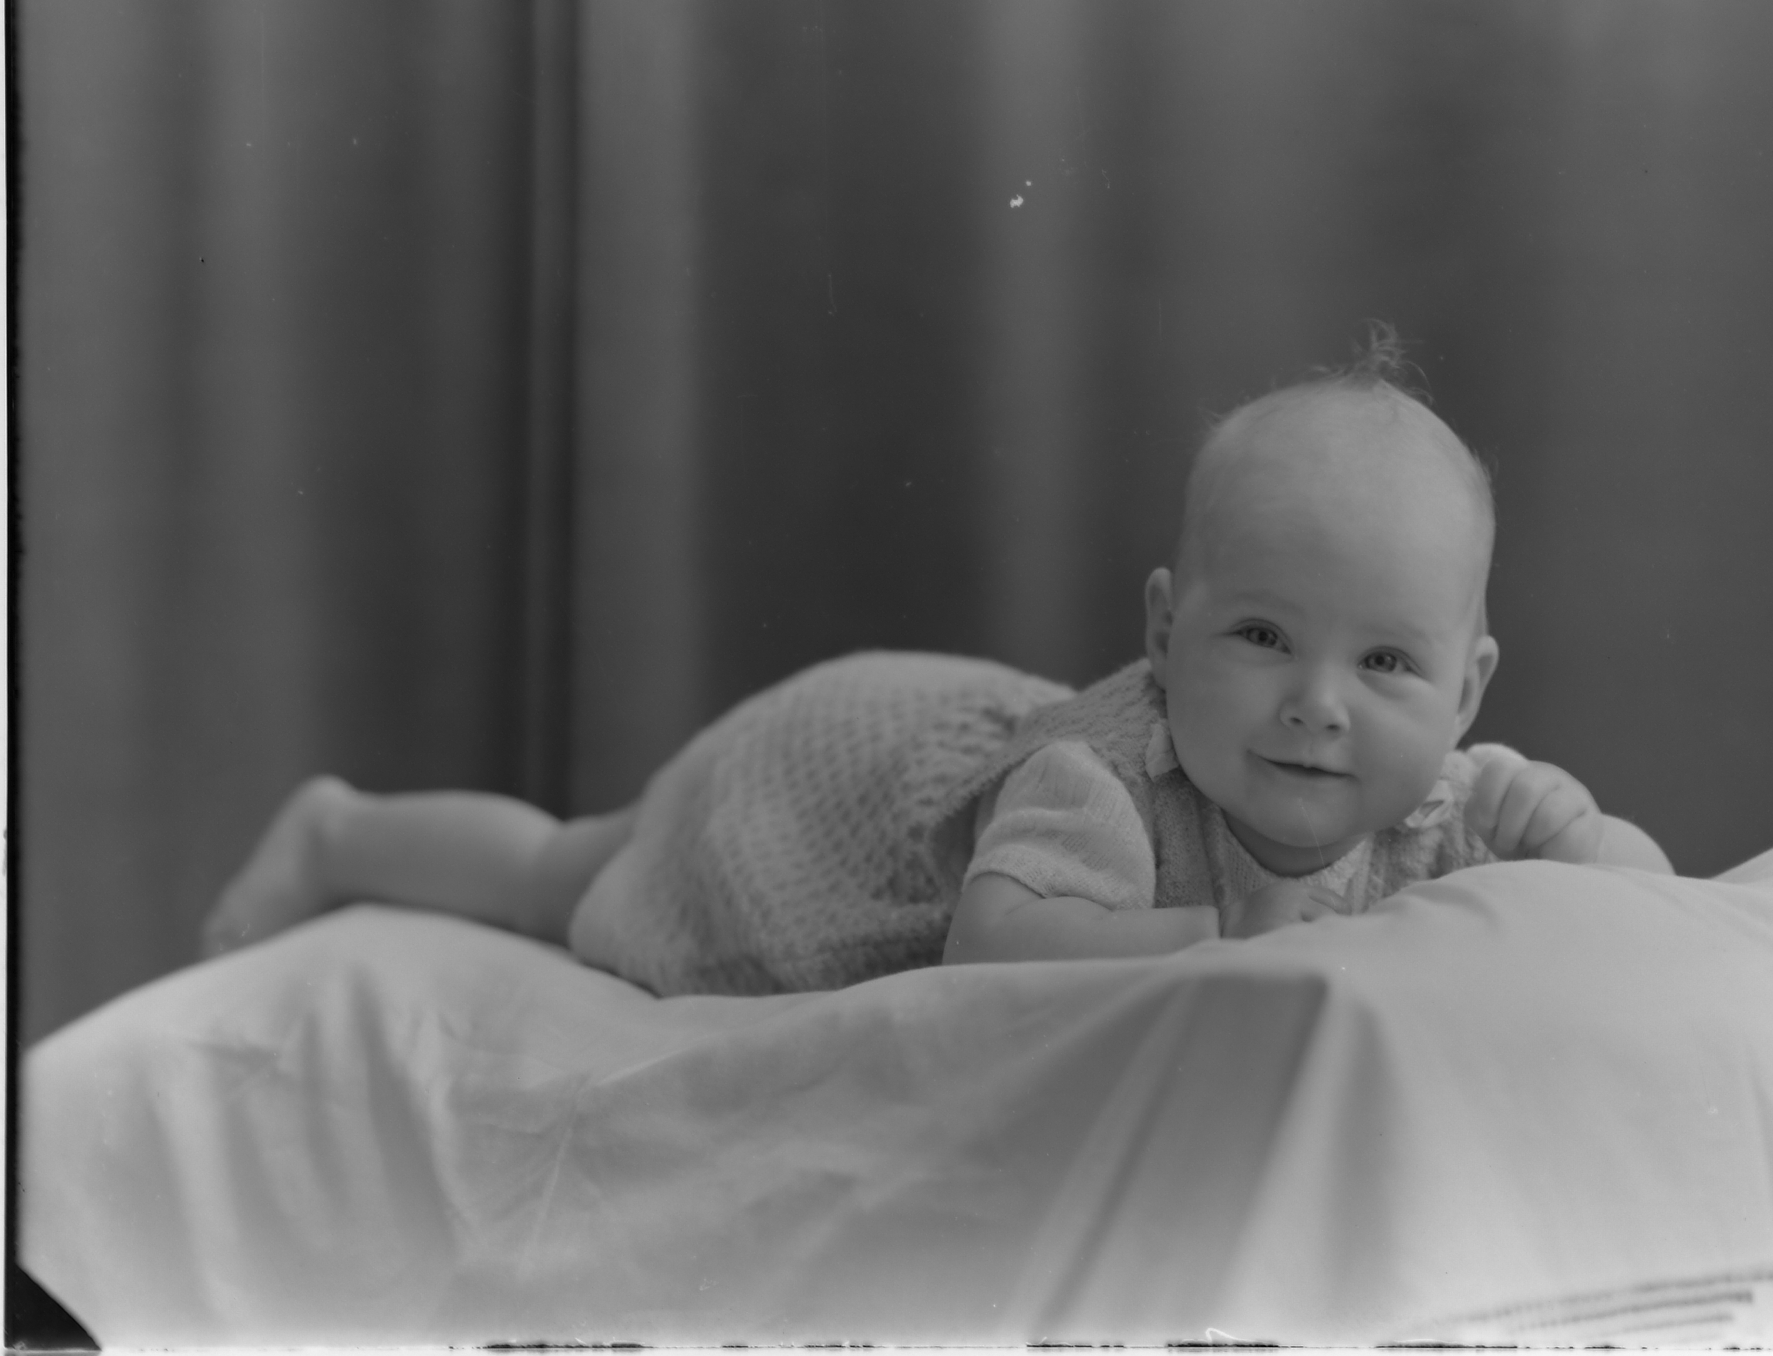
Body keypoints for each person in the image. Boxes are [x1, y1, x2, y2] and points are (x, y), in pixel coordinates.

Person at [202, 338, 1669, 993]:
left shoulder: (1449, 803)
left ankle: (348, 830)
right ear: (1165, 633)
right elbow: (998, 947)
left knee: (570, 860)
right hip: (827, 791)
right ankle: (339, 830)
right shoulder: (1102, 787)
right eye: (1263, 636)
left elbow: (1659, 914)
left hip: (924, 736)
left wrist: (1582, 838)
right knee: (570, 869)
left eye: (1387, 662)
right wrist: (1222, 931)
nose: (1317, 703)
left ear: (1466, 693)